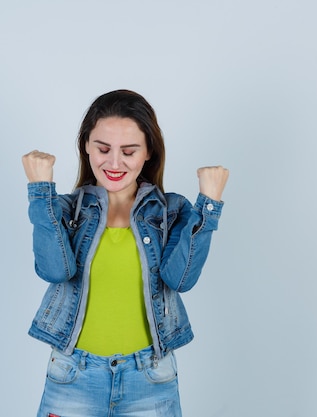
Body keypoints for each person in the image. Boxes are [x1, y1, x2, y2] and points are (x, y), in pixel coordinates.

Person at [22, 89, 229, 417]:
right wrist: (40, 191)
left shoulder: (170, 213)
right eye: (103, 149)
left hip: (149, 378)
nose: (114, 163)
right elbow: (55, 270)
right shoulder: (64, 211)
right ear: (86, 147)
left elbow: (181, 279)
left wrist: (209, 204)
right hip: (74, 374)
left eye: (129, 151)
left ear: (148, 152)